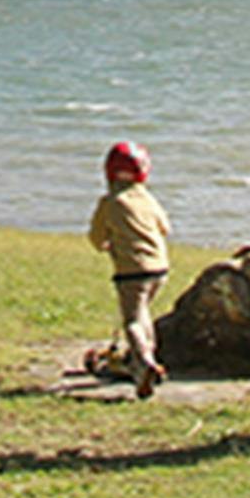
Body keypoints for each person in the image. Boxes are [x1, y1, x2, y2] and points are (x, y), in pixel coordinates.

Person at [88, 140, 172, 398]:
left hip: (130, 271)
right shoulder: (148, 199)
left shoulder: (110, 202)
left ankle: (144, 360)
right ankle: (143, 362)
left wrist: (106, 244)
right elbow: (165, 228)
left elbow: (96, 236)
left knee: (133, 320)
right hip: (159, 267)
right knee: (144, 313)